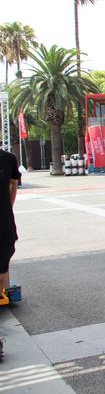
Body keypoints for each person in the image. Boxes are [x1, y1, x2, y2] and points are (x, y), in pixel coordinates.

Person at [0, 149, 20, 358]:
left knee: (2, 272)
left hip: (3, 226)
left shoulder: (7, 159)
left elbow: (13, 184)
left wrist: (7, 208)